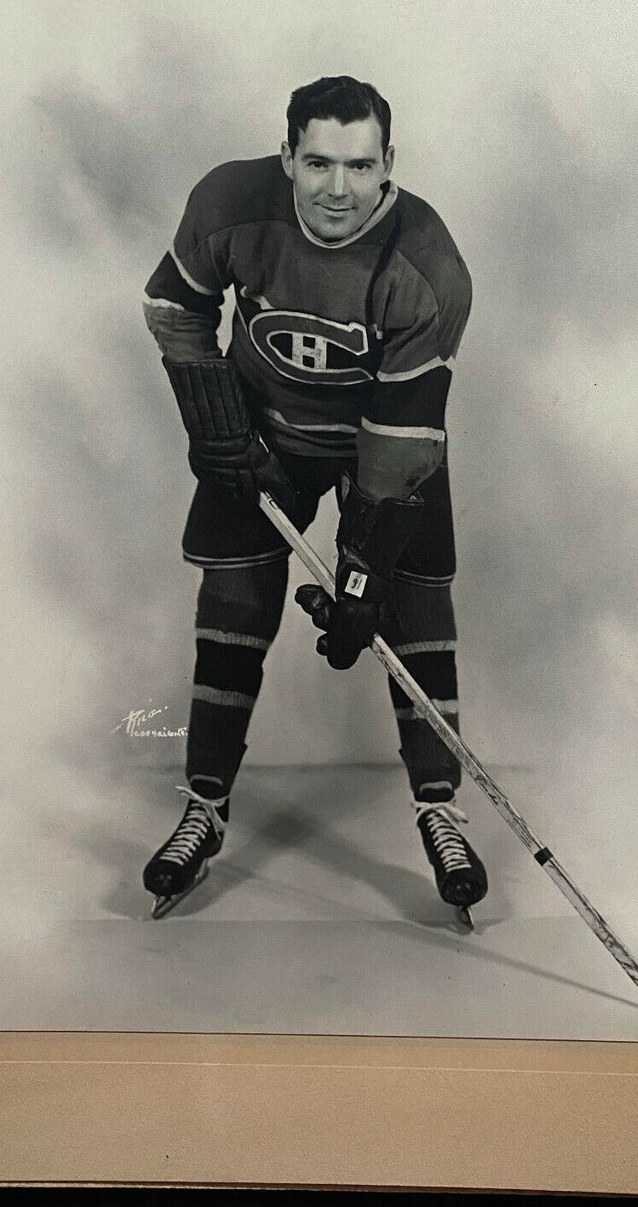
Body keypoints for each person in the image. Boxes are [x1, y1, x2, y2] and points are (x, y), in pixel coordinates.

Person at [140, 75, 487, 922]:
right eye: (320, 163)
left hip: (382, 451)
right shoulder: (230, 201)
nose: (339, 189)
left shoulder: (428, 267)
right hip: (265, 435)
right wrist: (220, 428)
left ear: (388, 165)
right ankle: (206, 806)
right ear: (288, 155)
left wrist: (360, 581)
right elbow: (173, 308)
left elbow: (400, 442)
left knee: (412, 608)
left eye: (361, 167)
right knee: (234, 604)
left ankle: (441, 810)